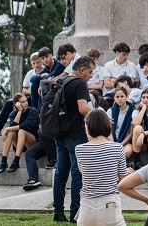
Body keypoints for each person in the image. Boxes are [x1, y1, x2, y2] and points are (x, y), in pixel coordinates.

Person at [52, 56, 95, 223]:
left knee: (61, 173)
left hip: (59, 133)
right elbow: (83, 108)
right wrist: (100, 116)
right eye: (90, 72)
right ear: (82, 69)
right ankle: (75, 213)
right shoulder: (79, 84)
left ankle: (58, 212)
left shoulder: (60, 81)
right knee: (77, 174)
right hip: (76, 135)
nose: (91, 76)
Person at [75, 109, 129, 226]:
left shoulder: (79, 149)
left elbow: (83, 171)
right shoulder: (117, 148)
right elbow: (123, 180)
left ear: (89, 127)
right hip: (110, 203)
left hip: (87, 205)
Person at [0, 52, 41, 135]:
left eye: (38, 62)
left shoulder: (45, 71)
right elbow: (24, 90)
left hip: (39, 99)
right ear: (31, 63)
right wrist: (33, 92)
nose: (36, 65)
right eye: (34, 63)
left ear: (41, 61)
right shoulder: (30, 73)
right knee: (9, 103)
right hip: (28, 97)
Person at [0, 93, 39, 173]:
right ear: (17, 104)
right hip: (19, 144)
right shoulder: (13, 114)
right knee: (11, 132)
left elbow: (27, 125)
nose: (26, 103)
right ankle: (3, 161)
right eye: (23, 102)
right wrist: (19, 111)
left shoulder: (32, 111)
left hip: (31, 143)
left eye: (26, 101)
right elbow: (13, 126)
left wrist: (7, 129)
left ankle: (16, 160)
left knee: (21, 131)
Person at [106, 87, 135, 159]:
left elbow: (131, 133)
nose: (120, 99)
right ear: (114, 98)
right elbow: (109, 130)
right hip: (112, 141)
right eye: (117, 97)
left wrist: (120, 144)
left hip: (126, 142)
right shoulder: (110, 111)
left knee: (127, 152)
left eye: (122, 96)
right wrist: (113, 144)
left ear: (126, 96)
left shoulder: (132, 111)